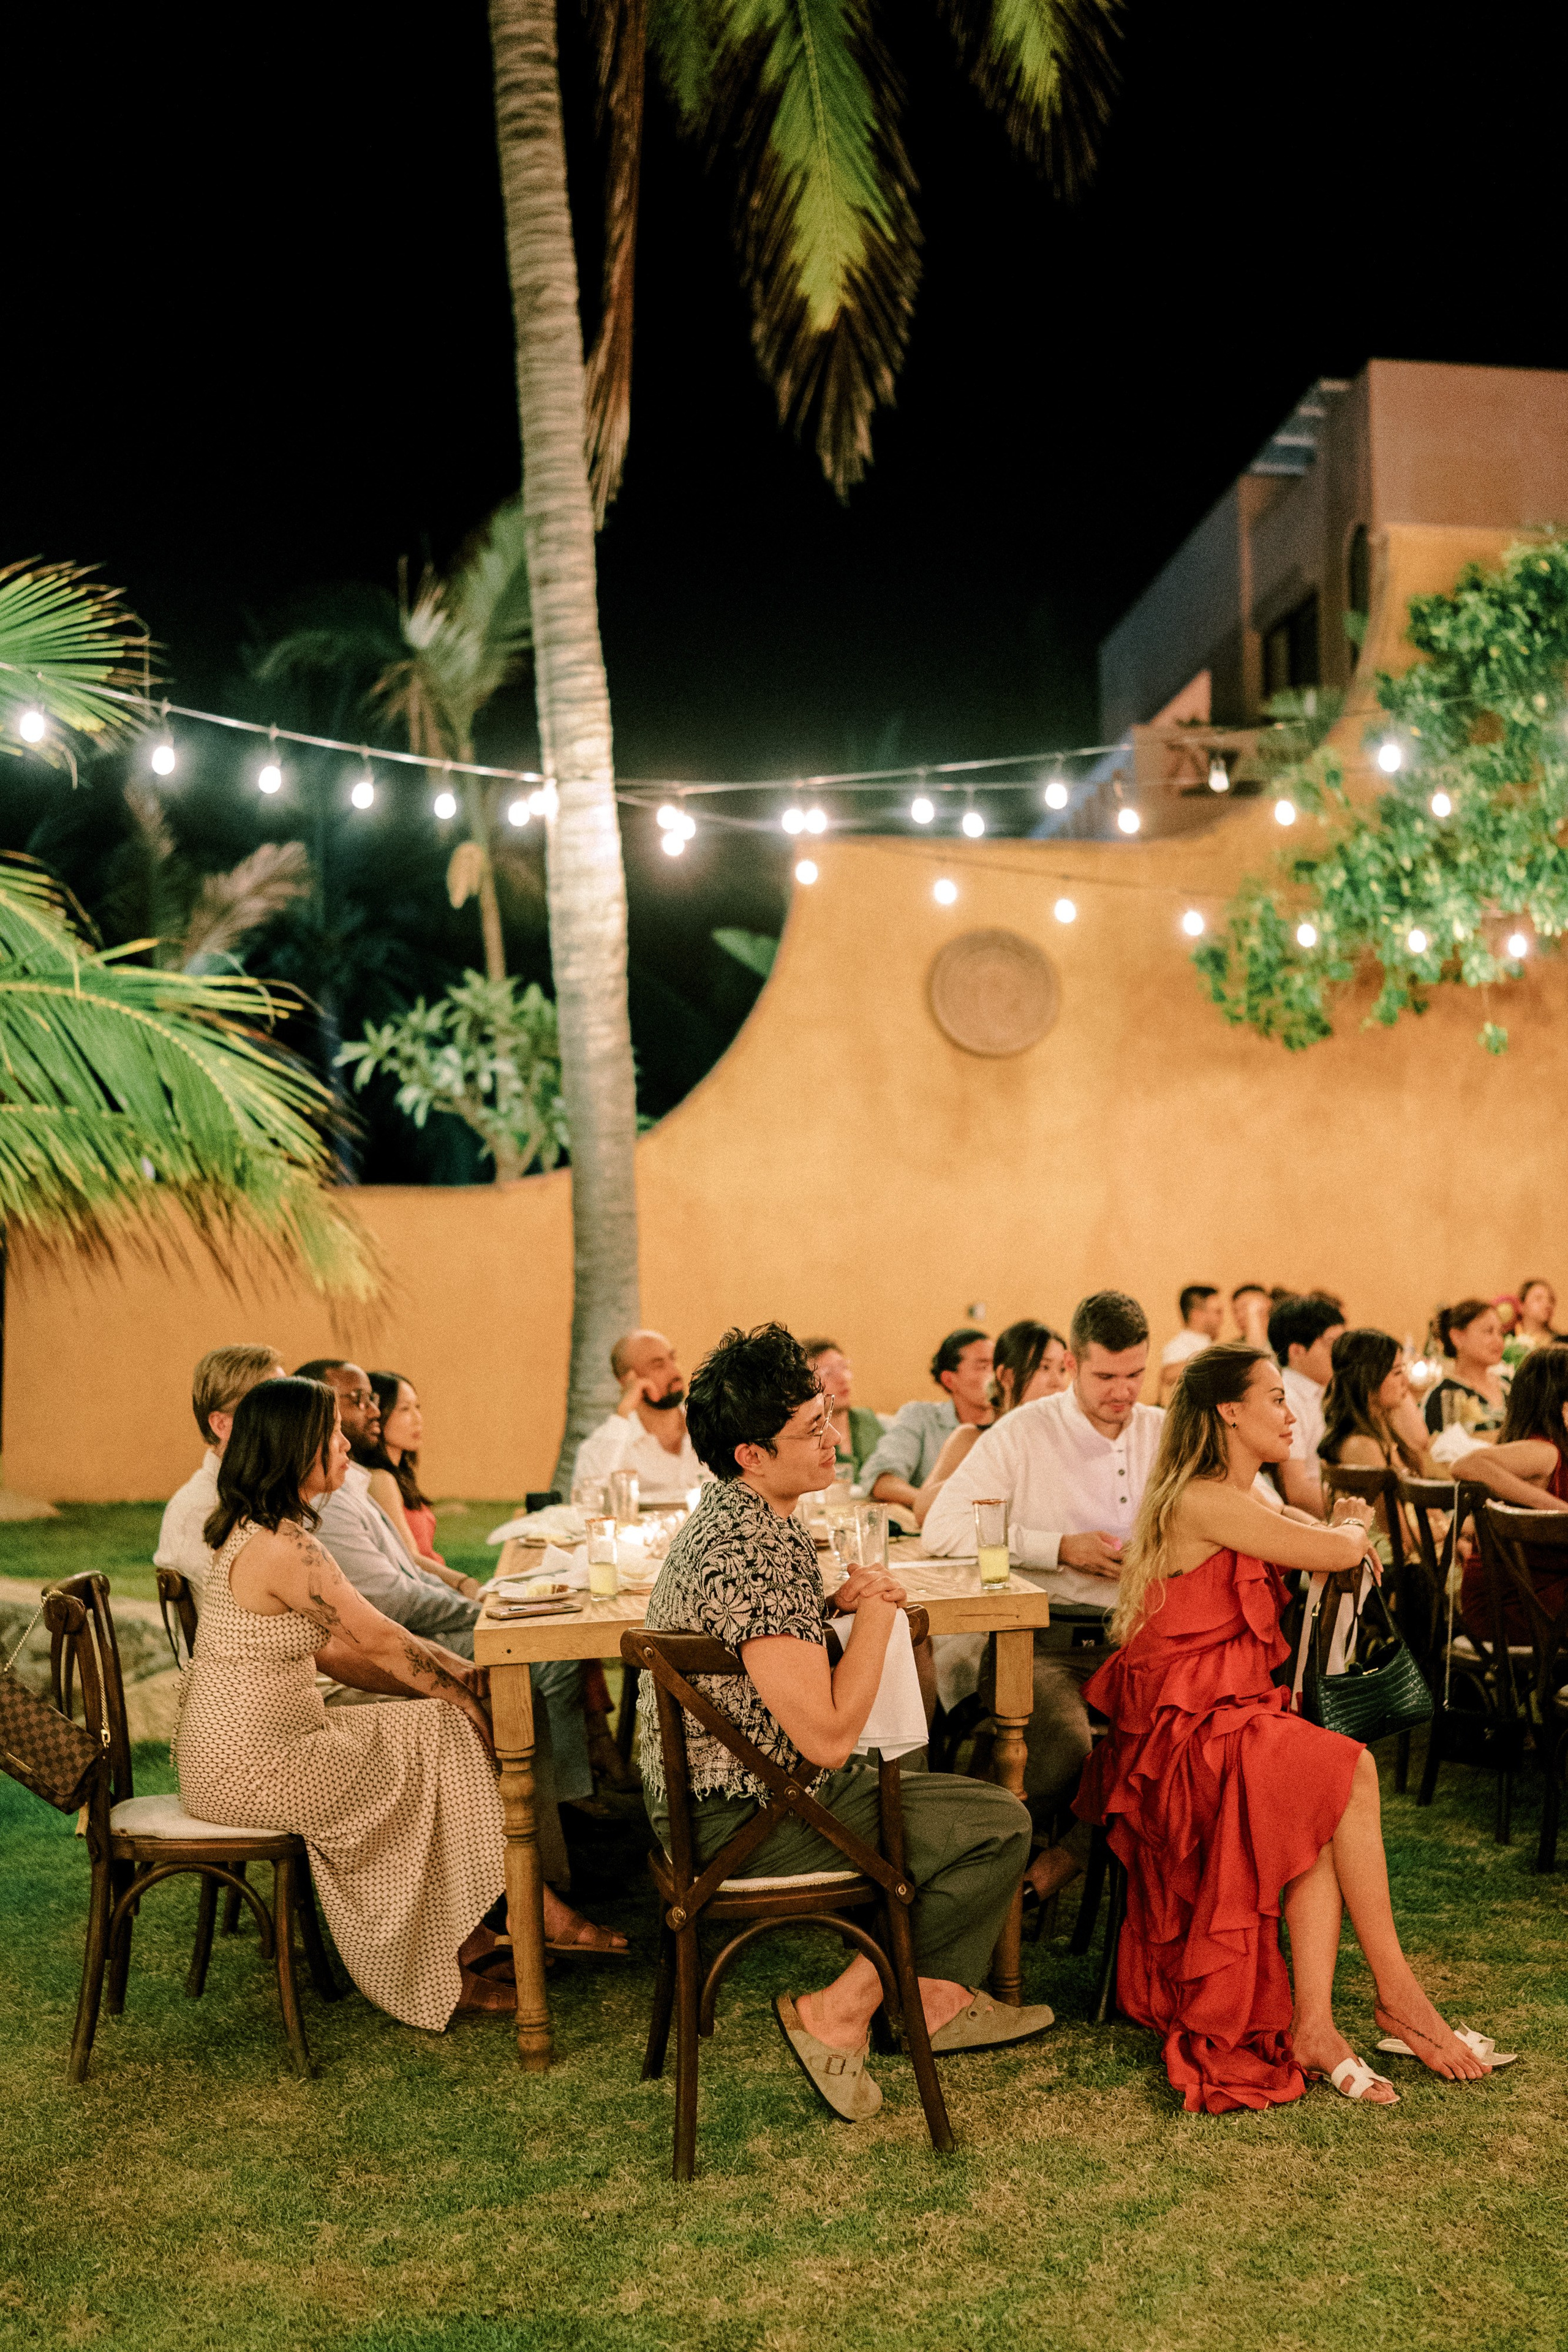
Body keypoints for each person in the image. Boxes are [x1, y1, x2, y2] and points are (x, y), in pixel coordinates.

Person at [639, 1324, 1050, 2123]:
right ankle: (850, 2009)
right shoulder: (752, 1548)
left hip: (723, 1797)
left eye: (827, 1418)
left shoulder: (745, 1516)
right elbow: (826, 1740)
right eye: (811, 1429)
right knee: (997, 1824)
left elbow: (761, 1642)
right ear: (752, 1454)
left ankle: (930, 1996)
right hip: (743, 1817)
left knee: (938, 1796)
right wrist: (877, 1615)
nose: (833, 1439)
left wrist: (833, 1605)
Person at [1076, 1343, 1498, 2113]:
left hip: (1230, 1721)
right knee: (1346, 1769)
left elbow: (1309, 1529)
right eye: (1274, 1398)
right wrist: (1348, 1526)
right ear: (1228, 1412)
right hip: (1182, 1746)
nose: (1291, 1412)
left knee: (1320, 1795)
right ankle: (1397, 1997)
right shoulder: (1200, 1499)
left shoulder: (1246, 1496)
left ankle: (1316, 2025)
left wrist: (1337, 1528)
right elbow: (1334, 1546)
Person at [175, 1378, 618, 2024]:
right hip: (252, 1767)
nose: (345, 1444)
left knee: (437, 1729)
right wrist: (465, 1695)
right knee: (439, 1743)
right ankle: (480, 1937)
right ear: (295, 1448)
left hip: (255, 1748)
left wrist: (455, 1676)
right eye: (331, 1433)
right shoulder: (284, 1547)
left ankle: (479, 1930)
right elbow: (379, 1640)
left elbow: (338, 1651)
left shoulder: (260, 1531)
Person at [296, 1359, 614, 1919]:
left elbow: (402, 1582)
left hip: (390, 1642)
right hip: (352, 1677)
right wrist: (479, 1613)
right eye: (352, 1406)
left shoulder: (351, 1488)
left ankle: (547, 1856)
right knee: (525, 1671)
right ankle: (541, 1863)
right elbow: (387, 1606)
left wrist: (478, 1604)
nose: (372, 1413)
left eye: (374, 1401)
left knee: (529, 1665)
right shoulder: (323, 1507)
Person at [924, 1291, 1163, 1908]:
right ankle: (965, 1864)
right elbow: (942, 1528)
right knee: (1064, 1751)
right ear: (1072, 1363)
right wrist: (1057, 1548)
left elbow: (1254, 1506)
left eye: (1135, 1375)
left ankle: (1056, 1861)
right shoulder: (1024, 1431)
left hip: (1140, 1638)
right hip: (1040, 1639)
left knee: (1184, 1743)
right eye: (1105, 1377)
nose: (1123, 1392)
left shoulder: (1164, 1431)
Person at [1454, 1344, 1568, 1647]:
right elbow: (1466, 1465)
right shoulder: (1544, 1451)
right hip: (1512, 1606)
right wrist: (1557, 1509)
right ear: (1561, 1405)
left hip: (1538, 1594)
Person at [155, 1344, 285, 1604]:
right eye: (273, 1409)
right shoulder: (200, 1510)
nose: (292, 1421)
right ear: (222, 1424)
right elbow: (265, 1606)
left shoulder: (267, 1490)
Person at [911, 1320, 1070, 1526]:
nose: (1058, 1382)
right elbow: (923, 1511)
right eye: (1044, 1367)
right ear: (1006, 1376)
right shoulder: (971, 1438)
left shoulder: (1071, 1440)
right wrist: (988, 1467)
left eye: (1063, 1370)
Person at [859, 1329, 994, 1515]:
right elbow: (881, 1481)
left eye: (998, 1366)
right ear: (949, 1380)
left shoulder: (1011, 1423)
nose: (996, 1377)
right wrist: (933, 1503)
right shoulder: (921, 1417)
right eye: (984, 1367)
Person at [571, 1330, 705, 1504]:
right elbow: (588, 1503)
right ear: (628, 1379)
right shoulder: (610, 1441)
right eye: (659, 1365)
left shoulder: (711, 1424)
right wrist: (624, 1410)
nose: (675, 1372)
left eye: (672, 1359)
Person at [1267, 1293, 1347, 1517]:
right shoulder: (1287, 1400)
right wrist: (1363, 1512)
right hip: (1317, 1519)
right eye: (1333, 1344)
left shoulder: (1325, 1391)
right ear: (1297, 1351)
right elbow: (1298, 1492)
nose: (1342, 1354)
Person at [366, 1370, 443, 1568]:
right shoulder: (380, 1480)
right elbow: (410, 1560)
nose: (418, 1419)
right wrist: (464, 1582)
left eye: (417, 1407)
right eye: (405, 1409)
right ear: (376, 1414)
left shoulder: (400, 1474)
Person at [801, 1338, 884, 1485]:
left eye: (843, 1368)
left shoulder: (867, 1420)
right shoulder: (804, 1431)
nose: (842, 1378)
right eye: (828, 1373)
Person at [1423, 1300, 1508, 1441]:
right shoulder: (1443, 1395)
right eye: (1489, 1332)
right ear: (1457, 1338)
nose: (1498, 1340)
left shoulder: (1509, 1386)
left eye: (1500, 1333)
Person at [1158, 1286, 1224, 1402]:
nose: (1222, 1319)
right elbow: (1168, 1375)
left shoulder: (1208, 1343)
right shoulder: (1179, 1345)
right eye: (1217, 1312)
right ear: (1196, 1315)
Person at [1515, 1278, 1564, 1351]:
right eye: (1538, 1299)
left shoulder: (1562, 1343)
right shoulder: (1508, 1340)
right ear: (1521, 1305)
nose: (1547, 1305)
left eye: (1551, 1300)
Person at [1230, 1283, 1273, 1348]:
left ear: (1267, 1303)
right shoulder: (1235, 1347)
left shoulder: (1282, 1335)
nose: (1240, 1316)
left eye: (1244, 1307)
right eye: (1236, 1311)